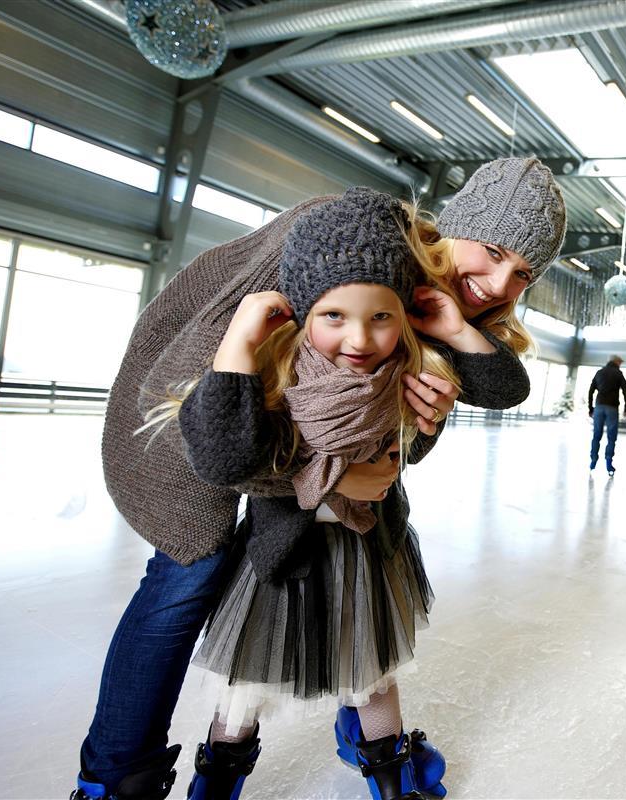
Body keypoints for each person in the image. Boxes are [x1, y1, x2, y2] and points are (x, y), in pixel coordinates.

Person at [74, 157, 566, 800]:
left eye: (523, 273)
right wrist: (327, 480)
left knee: (347, 568)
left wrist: (418, 420)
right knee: (188, 575)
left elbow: (410, 440)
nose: (499, 284)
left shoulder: (438, 308)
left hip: (287, 451)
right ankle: (117, 776)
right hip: (188, 409)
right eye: (494, 252)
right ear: (460, 225)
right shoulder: (343, 238)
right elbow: (205, 407)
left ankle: (364, 722)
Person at [166, 189, 454, 797]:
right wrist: (238, 345)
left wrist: (427, 423)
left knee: (374, 673)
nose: (360, 339)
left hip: (364, 552)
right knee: (245, 687)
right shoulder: (280, 375)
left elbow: (408, 453)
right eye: (335, 316)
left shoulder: (401, 379)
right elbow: (226, 460)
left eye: (380, 317)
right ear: (303, 314)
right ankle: (217, 781)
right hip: (281, 555)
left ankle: (391, 779)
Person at [587, 354, 626, 475]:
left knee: (596, 435)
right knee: (611, 437)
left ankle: (593, 460)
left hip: (599, 407)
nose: (620, 364)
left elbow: (591, 391)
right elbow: (625, 391)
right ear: (615, 362)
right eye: (619, 362)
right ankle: (609, 463)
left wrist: (590, 408)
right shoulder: (618, 374)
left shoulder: (599, 372)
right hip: (612, 408)